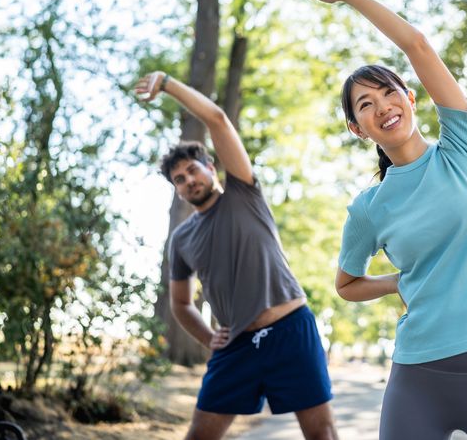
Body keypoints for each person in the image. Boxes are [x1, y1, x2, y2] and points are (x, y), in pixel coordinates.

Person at [288, 0, 467, 440]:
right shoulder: (369, 207)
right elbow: (346, 284)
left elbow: (418, 46)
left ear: (409, 98)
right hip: (419, 375)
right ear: (357, 128)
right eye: (364, 104)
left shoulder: (465, 148)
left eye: (388, 92)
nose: (381, 105)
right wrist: (395, 283)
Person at [135, 72, 338, 440]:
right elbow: (181, 303)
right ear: (177, 191)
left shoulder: (244, 194)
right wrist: (209, 337)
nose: (188, 180)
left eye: (192, 170)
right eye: (178, 179)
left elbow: (217, 120)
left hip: (291, 330)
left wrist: (166, 84)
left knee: (321, 434)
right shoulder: (181, 239)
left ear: (211, 168)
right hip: (236, 346)